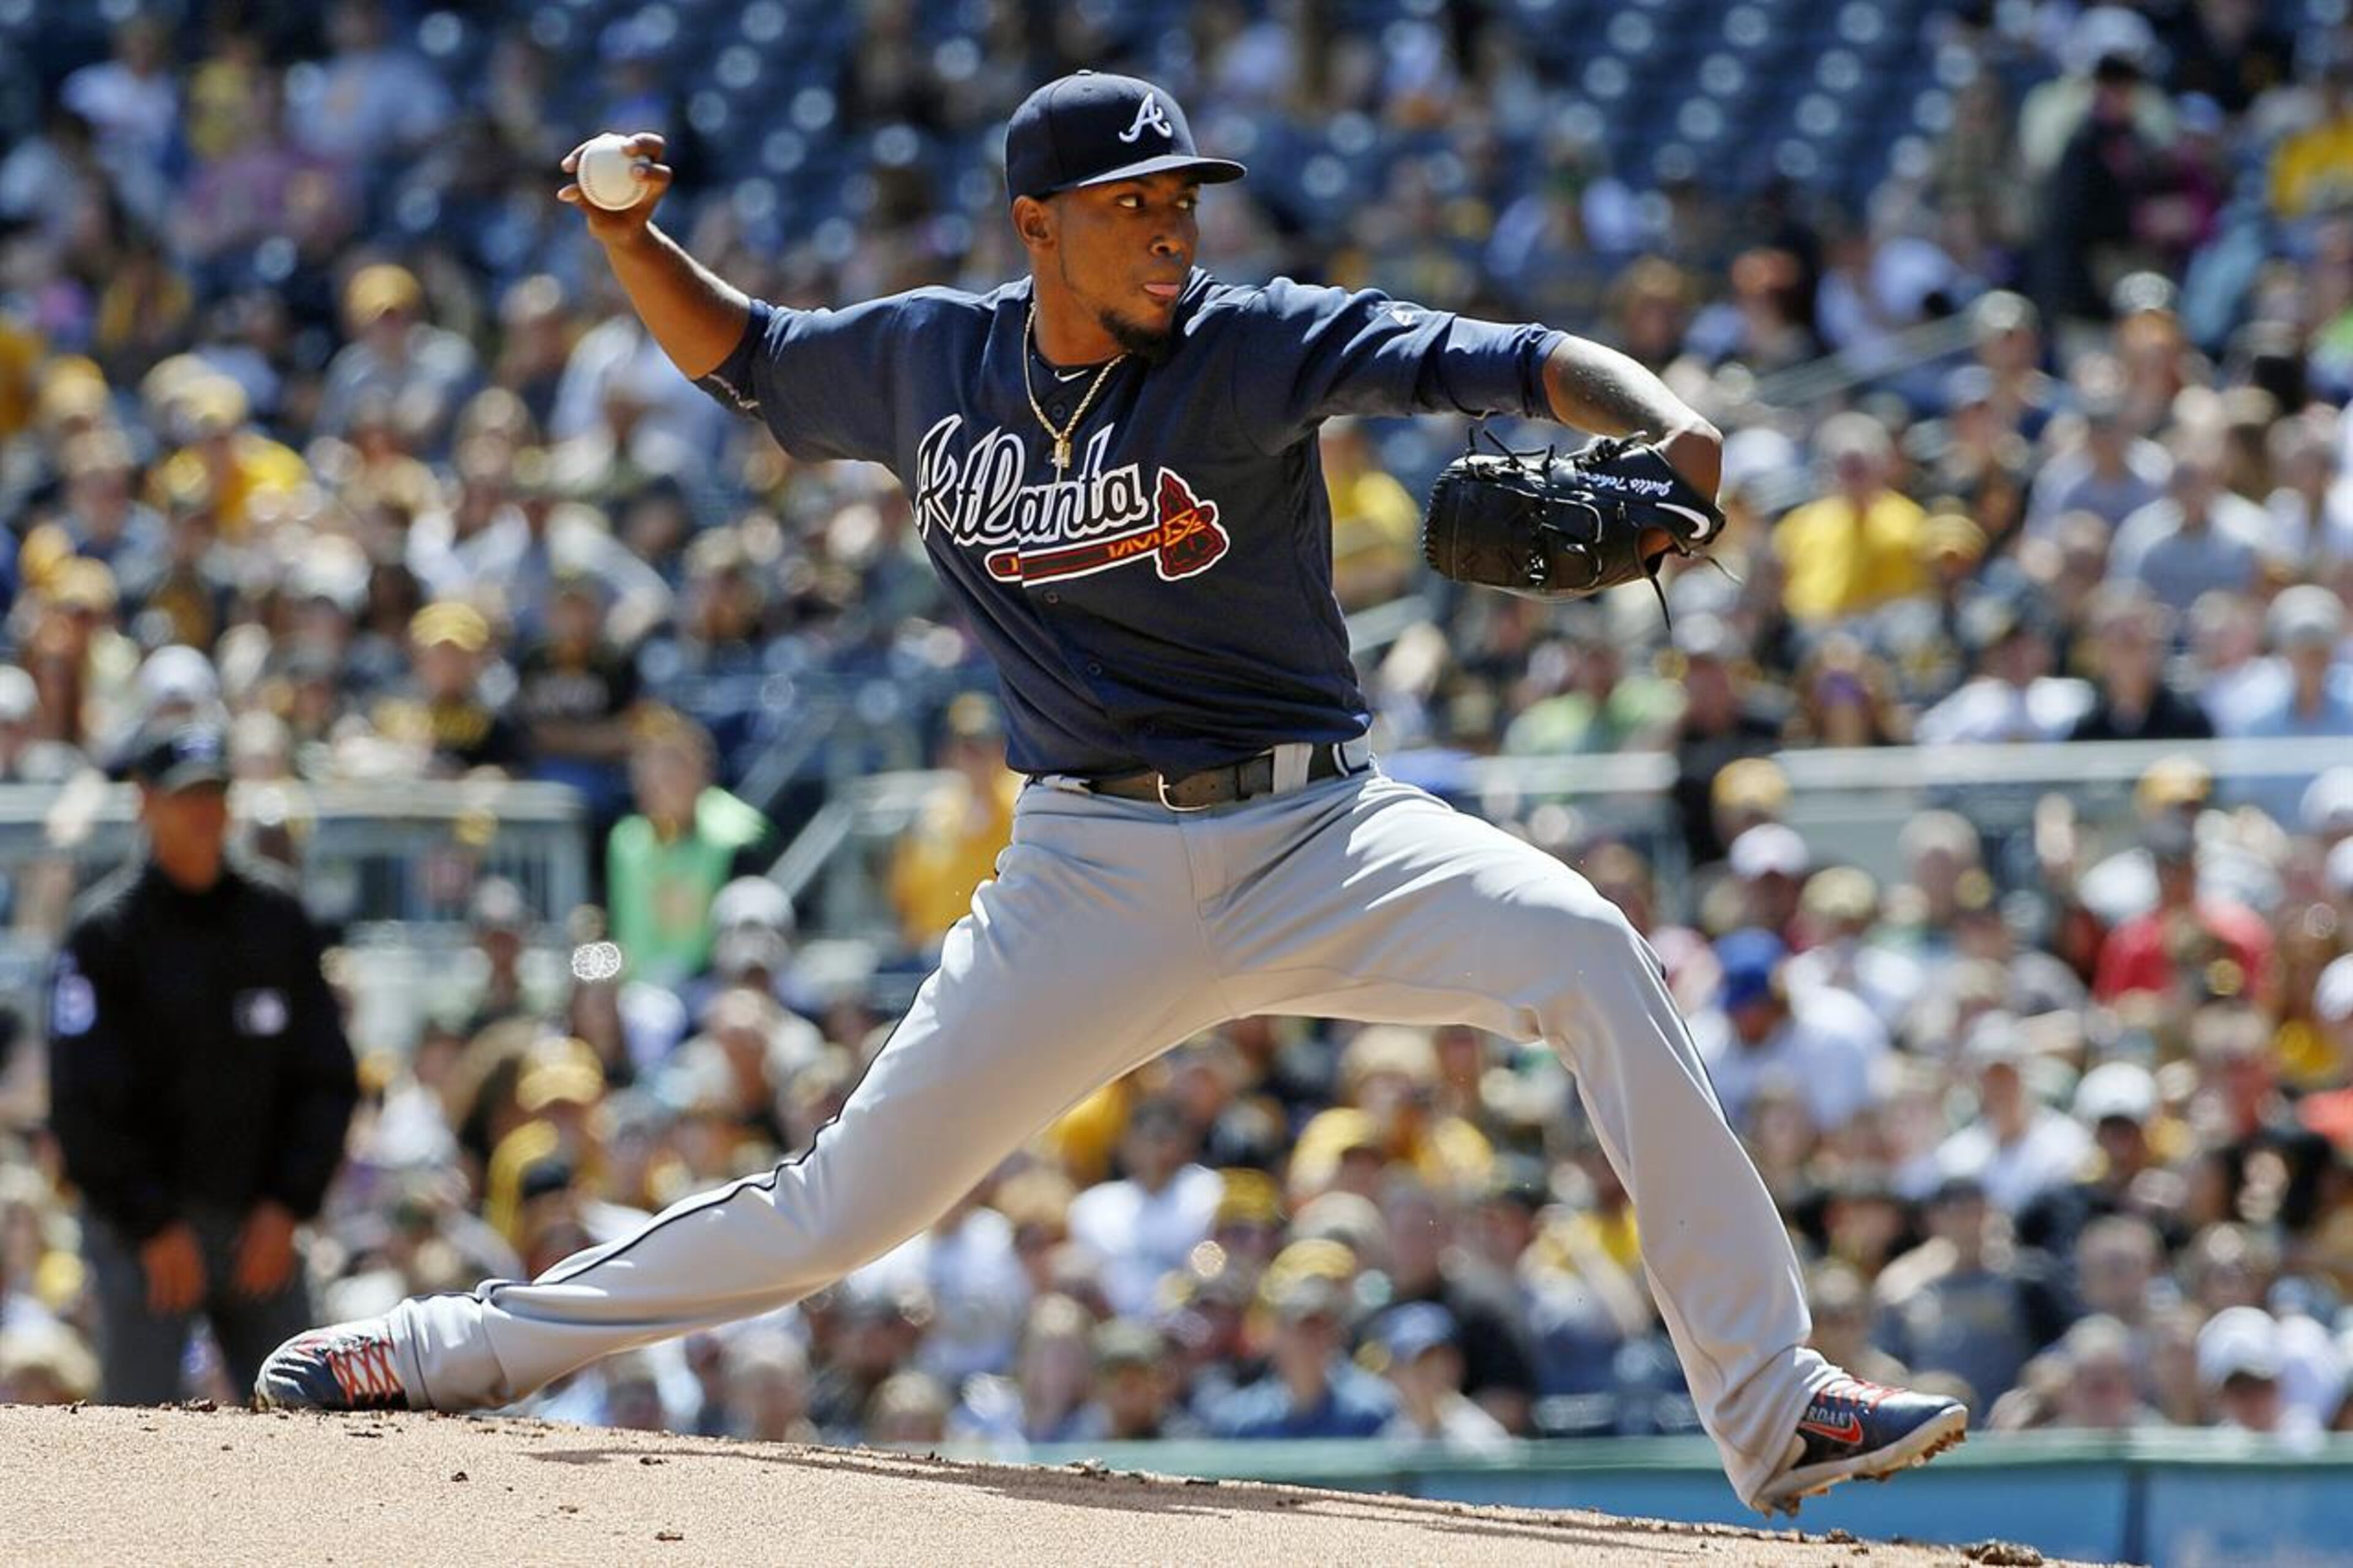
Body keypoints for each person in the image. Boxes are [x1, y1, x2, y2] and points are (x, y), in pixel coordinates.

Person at [257, 73, 1965, 1516]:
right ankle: (444, 1347)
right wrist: (629, 240)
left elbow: (1503, 357)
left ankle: (1771, 1401)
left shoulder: (1248, 342)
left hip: (1320, 831)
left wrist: (1667, 422)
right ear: (1037, 224)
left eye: (1180, 203)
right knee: (842, 1205)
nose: (1170, 233)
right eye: (1133, 206)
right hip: (1086, 867)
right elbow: (751, 360)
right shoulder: (928, 361)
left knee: (1588, 947)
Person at [47, 718, 358, 1403]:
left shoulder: (276, 919)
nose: (205, 812)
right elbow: (81, 1103)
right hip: (142, 1238)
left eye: (215, 793)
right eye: (186, 795)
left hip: (259, 1225)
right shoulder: (105, 934)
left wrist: (287, 1205)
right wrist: (152, 1224)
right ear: (145, 801)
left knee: (307, 1418)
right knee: (138, 1428)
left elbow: (327, 1078)